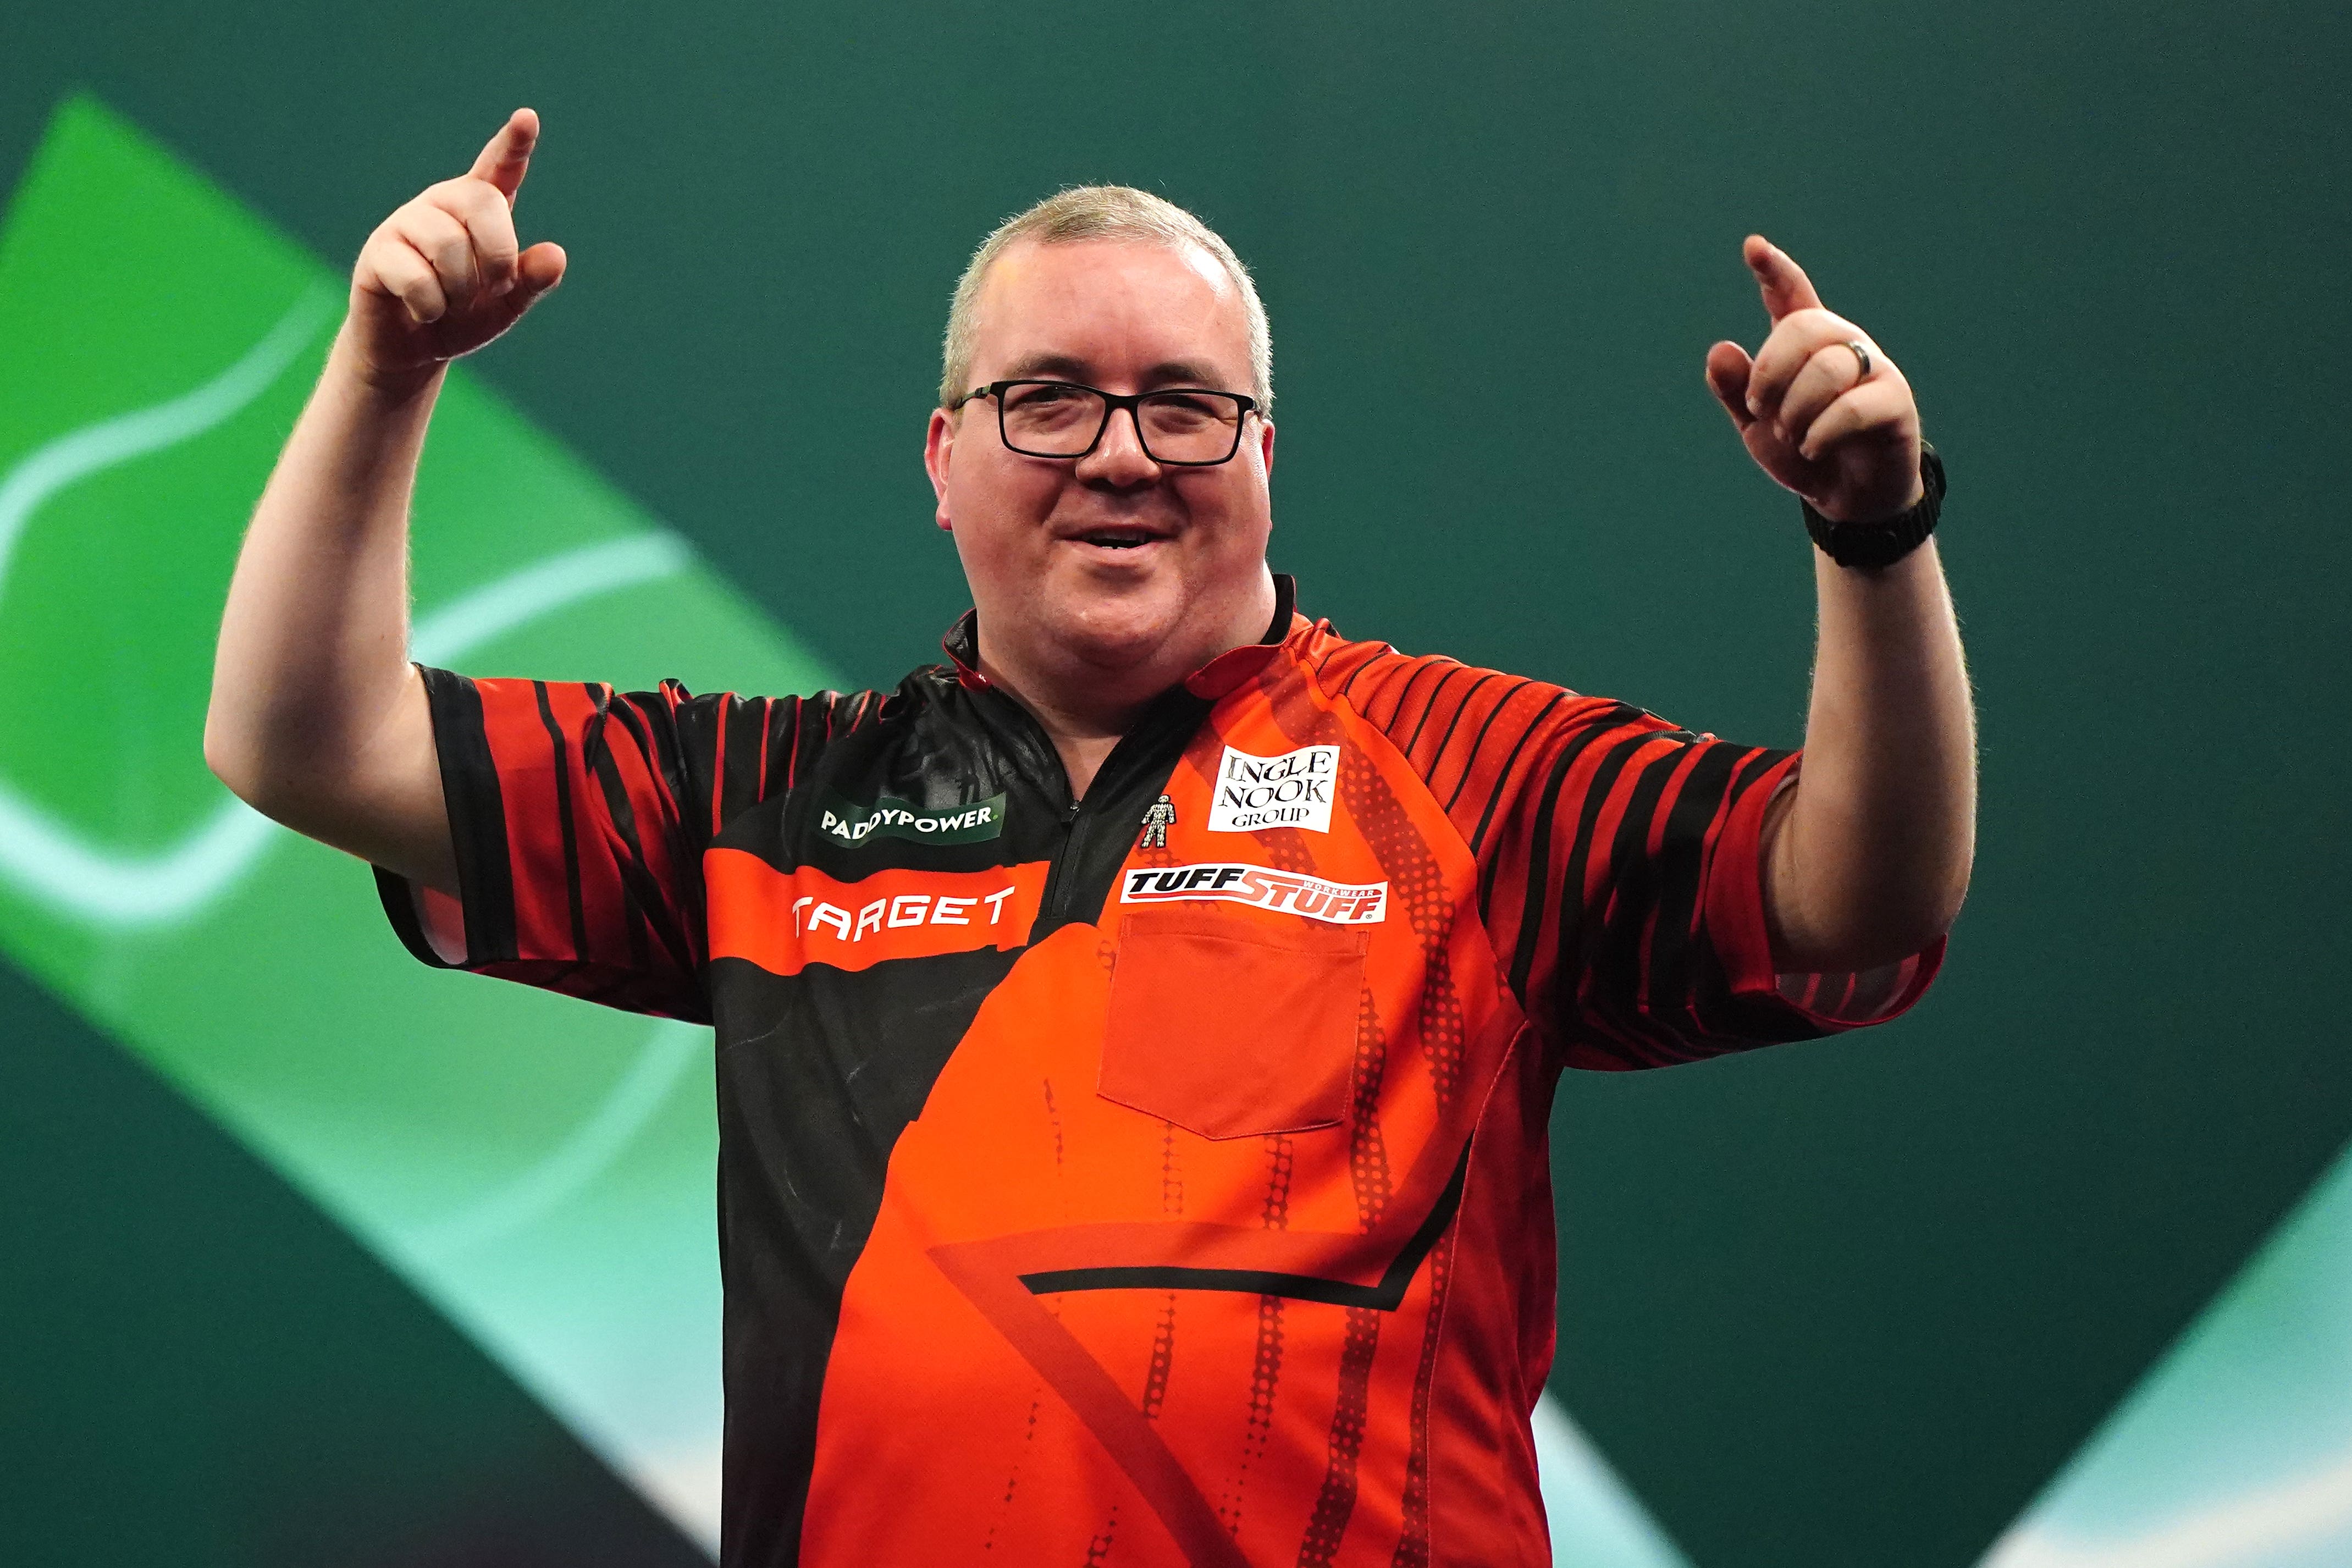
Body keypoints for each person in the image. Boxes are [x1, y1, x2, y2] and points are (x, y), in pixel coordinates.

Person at [206, 109, 1974, 1568]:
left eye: (1184, 404)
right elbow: (300, 738)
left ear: (1265, 452)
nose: (1122, 455)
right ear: (943, 458)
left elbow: (1861, 888)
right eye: (1049, 398)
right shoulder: (774, 804)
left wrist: (1876, 540)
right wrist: (382, 372)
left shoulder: (1468, 770)